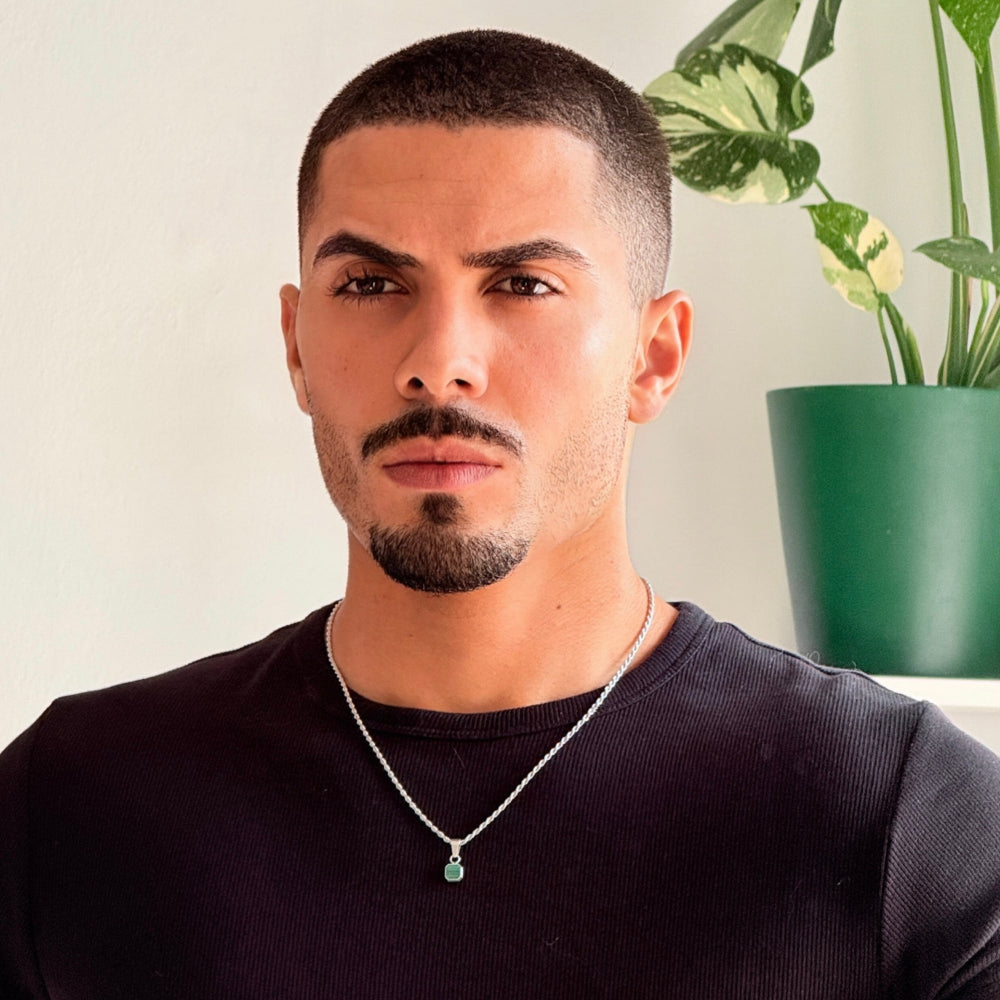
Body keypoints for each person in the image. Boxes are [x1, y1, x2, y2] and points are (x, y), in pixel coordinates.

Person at [2, 28, 999, 1000]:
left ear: (652, 356)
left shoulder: (904, 825)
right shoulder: (71, 807)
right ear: (297, 347)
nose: (439, 359)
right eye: (371, 283)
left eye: (522, 284)